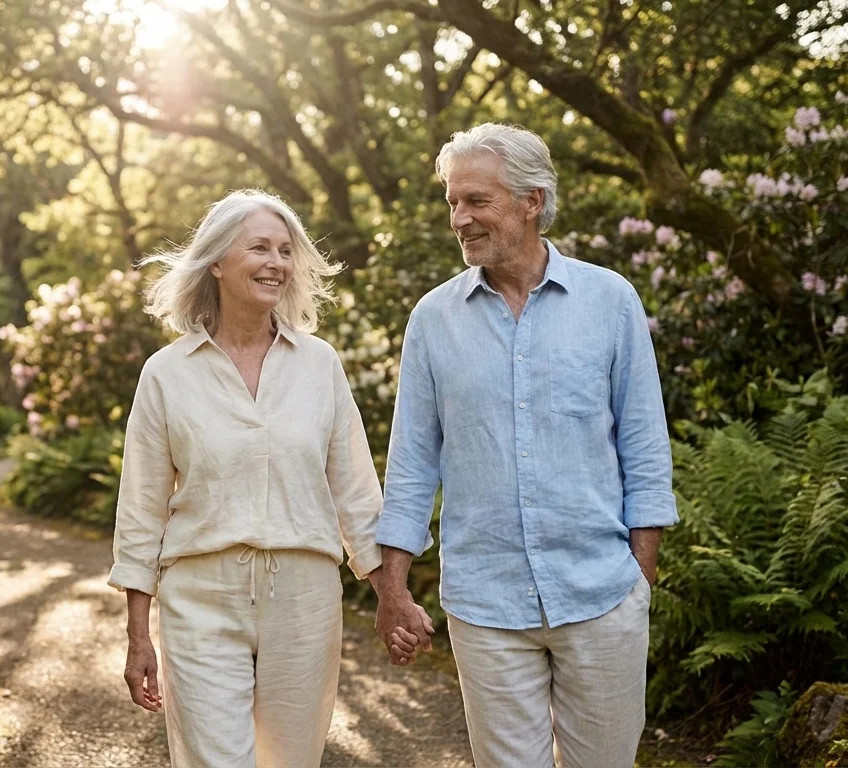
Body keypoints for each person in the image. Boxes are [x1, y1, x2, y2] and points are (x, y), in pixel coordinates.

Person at [372, 124, 678, 767]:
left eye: (477, 201)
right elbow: (410, 463)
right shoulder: (433, 319)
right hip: (486, 605)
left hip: (602, 595)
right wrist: (392, 589)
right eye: (454, 202)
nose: (460, 218)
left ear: (531, 201)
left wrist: (638, 580)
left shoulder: (610, 300)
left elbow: (646, 450)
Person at [108, 189, 425, 767]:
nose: (276, 262)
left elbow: (355, 492)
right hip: (201, 597)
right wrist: (137, 635)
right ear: (217, 262)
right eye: (258, 247)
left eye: (285, 250)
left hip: (304, 598)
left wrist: (392, 597)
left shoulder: (319, 364)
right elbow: (141, 510)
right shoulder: (166, 374)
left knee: (291, 762)